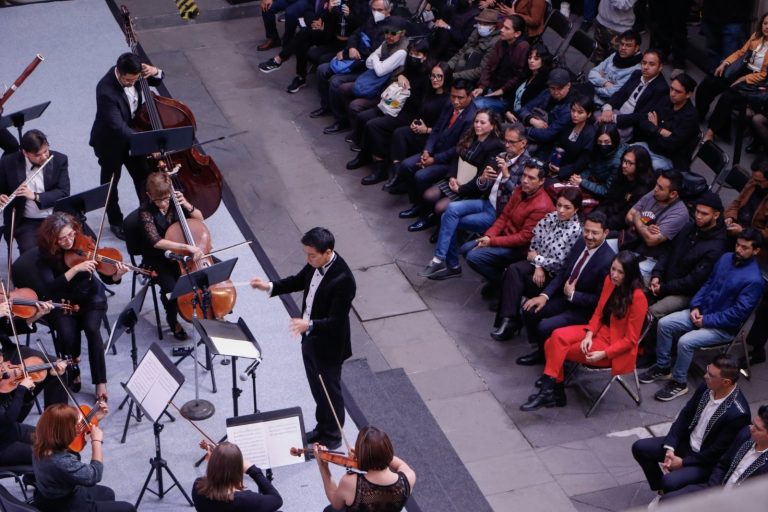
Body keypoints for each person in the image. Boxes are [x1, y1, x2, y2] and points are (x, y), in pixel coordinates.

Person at [250, 227, 356, 449]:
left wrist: (309, 324)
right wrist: (268, 286)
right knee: (318, 389)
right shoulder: (314, 264)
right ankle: (322, 428)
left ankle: (333, 436)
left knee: (331, 391)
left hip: (329, 344)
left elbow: (336, 321)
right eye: (306, 254)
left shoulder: (344, 279)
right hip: (309, 337)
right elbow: (297, 281)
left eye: (312, 255)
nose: (308, 259)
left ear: (328, 252)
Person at [640, 229, 765, 401]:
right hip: (702, 313)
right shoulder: (726, 258)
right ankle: (663, 367)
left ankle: (679, 382)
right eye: (737, 245)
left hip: (722, 328)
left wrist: (706, 320)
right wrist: (696, 305)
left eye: (744, 248)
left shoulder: (754, 280)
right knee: (665, 323)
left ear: (756, 251)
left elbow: (737, 315)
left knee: (685, 342)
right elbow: (707, 284)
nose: (738, 250)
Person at [18, 213, 129, 401]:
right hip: (64, 301)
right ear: (53, 239)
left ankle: (100, 382)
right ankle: (73, 366)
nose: (69, 241)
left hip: (90, 297)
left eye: (71, 234)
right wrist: (75, 269)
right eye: (63, 238)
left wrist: (117, 276)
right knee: (67, 335)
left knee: (92, 329)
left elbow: (106, 276)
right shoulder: (46, 255)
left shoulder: (83, 240)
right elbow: (49, 288)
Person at [520, 250, 647, 410]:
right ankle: (552, 393)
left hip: (613, 348)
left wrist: (604, 353)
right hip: (598, 332)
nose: (614, 275)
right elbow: (598, 312)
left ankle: (553, 392)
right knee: (555, 336)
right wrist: (588, 334)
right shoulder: (610, 281)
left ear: (630, 274)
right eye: (613, 269)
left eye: (620, 272)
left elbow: (630, 340)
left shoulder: (638, 298)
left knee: (552, 345)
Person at [418, 122, 530, 280]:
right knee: (450, 211)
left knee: (448, 219)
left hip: (499, 213)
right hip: (486, 202)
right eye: (506, 141)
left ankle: (450, 265)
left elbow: (521, 197)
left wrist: (506, 176)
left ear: (523, 143)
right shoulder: (502, 155)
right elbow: (482, 186)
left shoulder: (527, 165)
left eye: (511, 142)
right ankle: (440, 260)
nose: (507, 145)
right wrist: (484, 178)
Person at [632, 355, 751, 495]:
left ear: (725, 382)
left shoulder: (738, 414)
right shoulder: (707, 386)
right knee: (640, 448)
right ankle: (663, 490)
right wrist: (671, 447)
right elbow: (686, 415)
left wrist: (682, 463)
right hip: (687, 444)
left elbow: (716, 452)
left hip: (705, 460)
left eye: (711, 375)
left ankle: (670, 490)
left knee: (670, 481)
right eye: (707, 370)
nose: (705, 376)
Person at [515, 211, 616, 363]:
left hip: (583, 310)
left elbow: (600, 300)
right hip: (564, 298)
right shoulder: (581, 243)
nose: (588, 236)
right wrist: (544, 296)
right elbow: (564, 272)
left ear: (605, 233)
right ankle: (542, 351)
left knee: (545, 326)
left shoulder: (608, 260)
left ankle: (551, 361)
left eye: (594, 233)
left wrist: (574, 295)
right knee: (529, 309)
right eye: (586, 230)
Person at [490, 188, 583, 339]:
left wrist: (537, 260)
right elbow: (534, 243)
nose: (560, 210)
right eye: (559, 205)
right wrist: (538, 266)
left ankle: (511, 321)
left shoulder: (577, 232)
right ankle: (508, 320)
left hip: (555, 277)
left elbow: (561, 264)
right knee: (513, 270)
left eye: (567, 207)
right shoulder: (550, 217)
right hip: (537, 266)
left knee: (513, 275)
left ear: (576, 209)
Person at [90, 53, 163, 241]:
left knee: (143, 177)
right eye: (129, 80)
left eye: (136, 79)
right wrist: (148, 143)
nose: (133, 83)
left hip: (134, 135)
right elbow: (118, 127)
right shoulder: (105, 90)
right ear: (120, 73)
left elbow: (157, 81)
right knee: (111, 183)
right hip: (110, 142)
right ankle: (115, 221)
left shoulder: (137, 74)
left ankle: (147, 216)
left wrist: (155, 71)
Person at [460, 159, 553, 300]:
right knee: (465, 249)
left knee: (474, 257)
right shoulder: (519, 190)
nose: (525, 180)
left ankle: (502, 286)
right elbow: (504, 217)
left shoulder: (542, 206)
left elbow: (523, 238)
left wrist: (491, 242)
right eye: (524, 175)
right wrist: (489, 236)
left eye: (531, 178)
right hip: (504, 237)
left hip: (520, 249)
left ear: (541, 181)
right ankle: (498, 277)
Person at [394, 80, 478, 223]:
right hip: (435, 152)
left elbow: (458, 148)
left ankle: (426, 215)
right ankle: (417, 204)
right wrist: (427, 150)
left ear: (470, 96)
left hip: (450, 162)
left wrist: (434, 159)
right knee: (406, 165)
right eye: (453, 96)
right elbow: (437, 129)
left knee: (421, 176)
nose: (455, 101)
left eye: (460, 98)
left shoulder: (471, 117)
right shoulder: (449, 105)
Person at [411, 109, 505, 231]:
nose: (477, 125)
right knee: (428, 195)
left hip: (471, 188)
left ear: (492, 125)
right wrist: (452, 177)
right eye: (476, 121)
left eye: (483, 123)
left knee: (440, 207)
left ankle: (441, 227)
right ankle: (428, 219)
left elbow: (482, 177)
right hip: (456, 178)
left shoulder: (495, 147)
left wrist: (460, 189)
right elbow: (456, 157)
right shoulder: (470, 135)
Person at [138, 171, 205, 341]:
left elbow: (200, 219)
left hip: (184, 255)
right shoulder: (145, 211)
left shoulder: (176, 201)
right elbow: (156, 241)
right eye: (158, 200)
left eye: (166, 198)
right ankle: (172, 319)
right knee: (172, 288)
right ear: (149, 195)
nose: (163, 203)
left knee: (210, 273)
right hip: (159, 258)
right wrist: (185, 247)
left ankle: (211, 312)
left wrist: (188, 205)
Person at [0, 303, 68, 467]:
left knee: (54, 368)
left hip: (5, 354)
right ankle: (22, 400)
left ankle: (56, 422)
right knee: (46, 455)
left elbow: (7, 328)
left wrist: (33, 317)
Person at [32, 403, 131, 512]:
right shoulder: (62, 462)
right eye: (75, 427)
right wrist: (96, 441)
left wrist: (93, 419)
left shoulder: (43, 439)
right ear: (64, 433)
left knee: (108, 493)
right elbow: (95, 475)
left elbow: (72, 445)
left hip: (49, 492)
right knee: (128, 508)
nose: (79, 429)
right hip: (65, 504)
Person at [647, 192, 728, 320]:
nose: (698, 216)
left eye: (704, 214)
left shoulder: (717, 247)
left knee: (652, 312)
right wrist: (656, 275)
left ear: (716, 215)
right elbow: (668, 251)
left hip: (684, 293)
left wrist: (664, 288)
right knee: (632, 283)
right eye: (697, 211)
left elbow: (693, 281)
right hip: (664, 280)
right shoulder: (689, 227)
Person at [660, 405, 768, 500]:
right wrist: (712, 490)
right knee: (667, 500)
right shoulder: (745, 434)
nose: (751, 429)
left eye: (757, 429)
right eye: (753, 424)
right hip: (716, 489)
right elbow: (723, 464)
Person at [324, 16, 409, 135]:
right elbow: (370, 63)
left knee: (355, 105)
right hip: (374, 81)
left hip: (386, 90)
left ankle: (358, 134)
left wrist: (376, 58)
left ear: (402, 33)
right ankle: (346, 122)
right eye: (386, 32)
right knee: (342, 88)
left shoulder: (401, 51)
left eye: (393, 33)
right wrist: (377, 60)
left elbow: (379, 70)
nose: (389, 36)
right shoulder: (386, 42)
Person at [310, 0, 392, 121]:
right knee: (322, 70)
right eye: (374, 9)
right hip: (352, 57)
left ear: (388, 10)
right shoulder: (371, 21)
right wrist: (351, 48)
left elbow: (373, 51)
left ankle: (341, 119)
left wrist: (346, 54)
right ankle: (326, 106)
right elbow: (355, 34)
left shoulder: (389, 29)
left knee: (335, 81)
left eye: (380, 10)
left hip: (365, 67)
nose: (376, 13)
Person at [697, 13, 768, 136]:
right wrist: (725, 63)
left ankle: (711, 132)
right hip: (742, 69)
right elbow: (741, 53)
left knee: (728, 96)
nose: (767, 27)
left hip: (757, 80)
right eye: (765, 23)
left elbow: (763, 75)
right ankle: (699, 115)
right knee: (710, 82)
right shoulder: (756, 37)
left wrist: (743, 79)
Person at [0, 129, 70, 254]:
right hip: (26, 221)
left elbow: (63, 192)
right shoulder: (8, 162)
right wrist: (1, 196)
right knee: (32, 254)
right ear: (25, 153)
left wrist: (35, 196)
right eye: (38, 155)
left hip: (55, 216)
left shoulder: (59, 159)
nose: (44, 157)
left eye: (46, 151)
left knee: (73, 244)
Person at [315, 426, 415, 512]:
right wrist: (377, 454)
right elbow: (399, 464)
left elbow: (336, 503)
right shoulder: (409, 478)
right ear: (388, 450)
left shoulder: (350, 482)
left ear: (361, 454)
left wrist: (323, 467)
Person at [621, 169, 690, 270]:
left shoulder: (680, 213)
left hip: (650, 257)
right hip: (630, 242)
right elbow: (628, 217)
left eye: (660, 188)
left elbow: (651, 240)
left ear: (673, 194)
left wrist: (637, 220)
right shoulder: (655, 193)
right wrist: (646, 228)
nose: (655, 189)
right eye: (656, 184)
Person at [632, 73, 700, 171]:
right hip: (649, 146)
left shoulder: (690, 117)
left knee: (642, 168)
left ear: (688, 94)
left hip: (669, 158)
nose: (672, 94)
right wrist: (662, 131)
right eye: (671, 89)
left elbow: (669, 145)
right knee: (626, 154)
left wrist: (655, 128)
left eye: (678, 91)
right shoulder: (666, 100)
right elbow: (643, 120)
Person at [597, 50, 668, 141]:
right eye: (644, 63)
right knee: (590, 119)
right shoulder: (637, 74)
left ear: (660, 67)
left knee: (604, 136)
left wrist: (613, 118)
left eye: (651, 64)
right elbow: (621, 93)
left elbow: (641, 116)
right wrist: (608, 108)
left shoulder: (661, 89)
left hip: (630, 124)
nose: (646, 67)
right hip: (616, 111)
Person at [193, 441, 283, 512]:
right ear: (238, 469)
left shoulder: (197, 486)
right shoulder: (245, 500)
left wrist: (216, 460)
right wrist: (254, 471)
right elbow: (277, 500)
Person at [471, 15, 530, 113]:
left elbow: (519, 76)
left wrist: (502, 90)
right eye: (503, 26)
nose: (502, 30)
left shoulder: (523, 47)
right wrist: (482, 86)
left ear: (517, 33)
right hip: (490, 88)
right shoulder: (501, 42)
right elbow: (489, 66)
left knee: (475, 105)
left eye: (507, 28)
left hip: (505, 97)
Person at [594, 144, 654, 231]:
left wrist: (601, 225)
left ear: (640, 165)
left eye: (630, 163)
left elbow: (623, 218)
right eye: (624, 161)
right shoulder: (621, 175)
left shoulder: (642, 190)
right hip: (607, 215)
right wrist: (596, 215)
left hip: (618, 226)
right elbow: (608, 200)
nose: (624, 165)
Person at [511, 68, 574, 146]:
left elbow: (547, 135)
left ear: (568, 85)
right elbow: (523, 109)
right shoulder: (546, 93)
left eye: (560, 88)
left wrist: (523, 130)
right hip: (527, 128)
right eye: (552, 88)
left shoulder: (569, 107)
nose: (556, 92)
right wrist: (532, 120)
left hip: (541, 143)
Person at [724, 156, 768, 262]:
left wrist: (743, 231)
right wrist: (730, 217)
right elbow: (737, 203)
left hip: (753, 240)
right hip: (736, 226)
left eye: (759, 181)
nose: (754, 182)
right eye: (753, 178)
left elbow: (766, 234)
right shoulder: (753, 182)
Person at [568, 123, 626, 199]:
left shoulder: (617, 162)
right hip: (594, 182)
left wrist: (582, 182)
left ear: (614, 140)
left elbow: (606, 191)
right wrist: (580, 177)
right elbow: (591, 167)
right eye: (600, 142)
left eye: (607, 142)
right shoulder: (598, 149)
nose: (603, 145)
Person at [547, 95, 597, 181]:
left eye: (580, 112)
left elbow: (581, 163)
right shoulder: (568, 124)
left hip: (572, 174)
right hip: (556, 163)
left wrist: (560, 170)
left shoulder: (591, 135)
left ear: (588, 114)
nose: (575, 115)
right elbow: (557, 144)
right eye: (573, 110)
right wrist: (550, 162)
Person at [445, 9, 502, 84]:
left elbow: (481, 70)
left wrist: (454, 76)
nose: (481, 26)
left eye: (485, 24)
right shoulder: (476, 32)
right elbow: (462, 51)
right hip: (458, 70)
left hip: (471, 81)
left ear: (494, 26)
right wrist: (446, 68)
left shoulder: (495, 42)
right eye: (480, 23)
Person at [587, 30, 642, 106]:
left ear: (636, 48)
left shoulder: (636, 70)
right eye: (622, 44)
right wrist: (605, 82)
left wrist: (595, 84)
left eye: (628, 45)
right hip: (591, 94)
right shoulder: (614, 55)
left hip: (604, 104)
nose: (623, 48)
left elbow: (612, 93)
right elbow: (592, 73)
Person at [505, 43, 553, 118]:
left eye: (536, 59)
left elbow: (530, 106)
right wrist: (507, 111)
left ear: (543, 61)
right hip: (509, 113)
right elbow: (512, 95)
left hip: (521, 119)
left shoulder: (543, 83)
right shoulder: (526, 74)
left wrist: (513, 115)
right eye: (530, 58)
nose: (531, 61)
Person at [592, 0, 638, 64]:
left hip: (618, 30)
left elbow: (624, 5)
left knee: (613, 63)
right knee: (597, 58)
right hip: (601, 22)